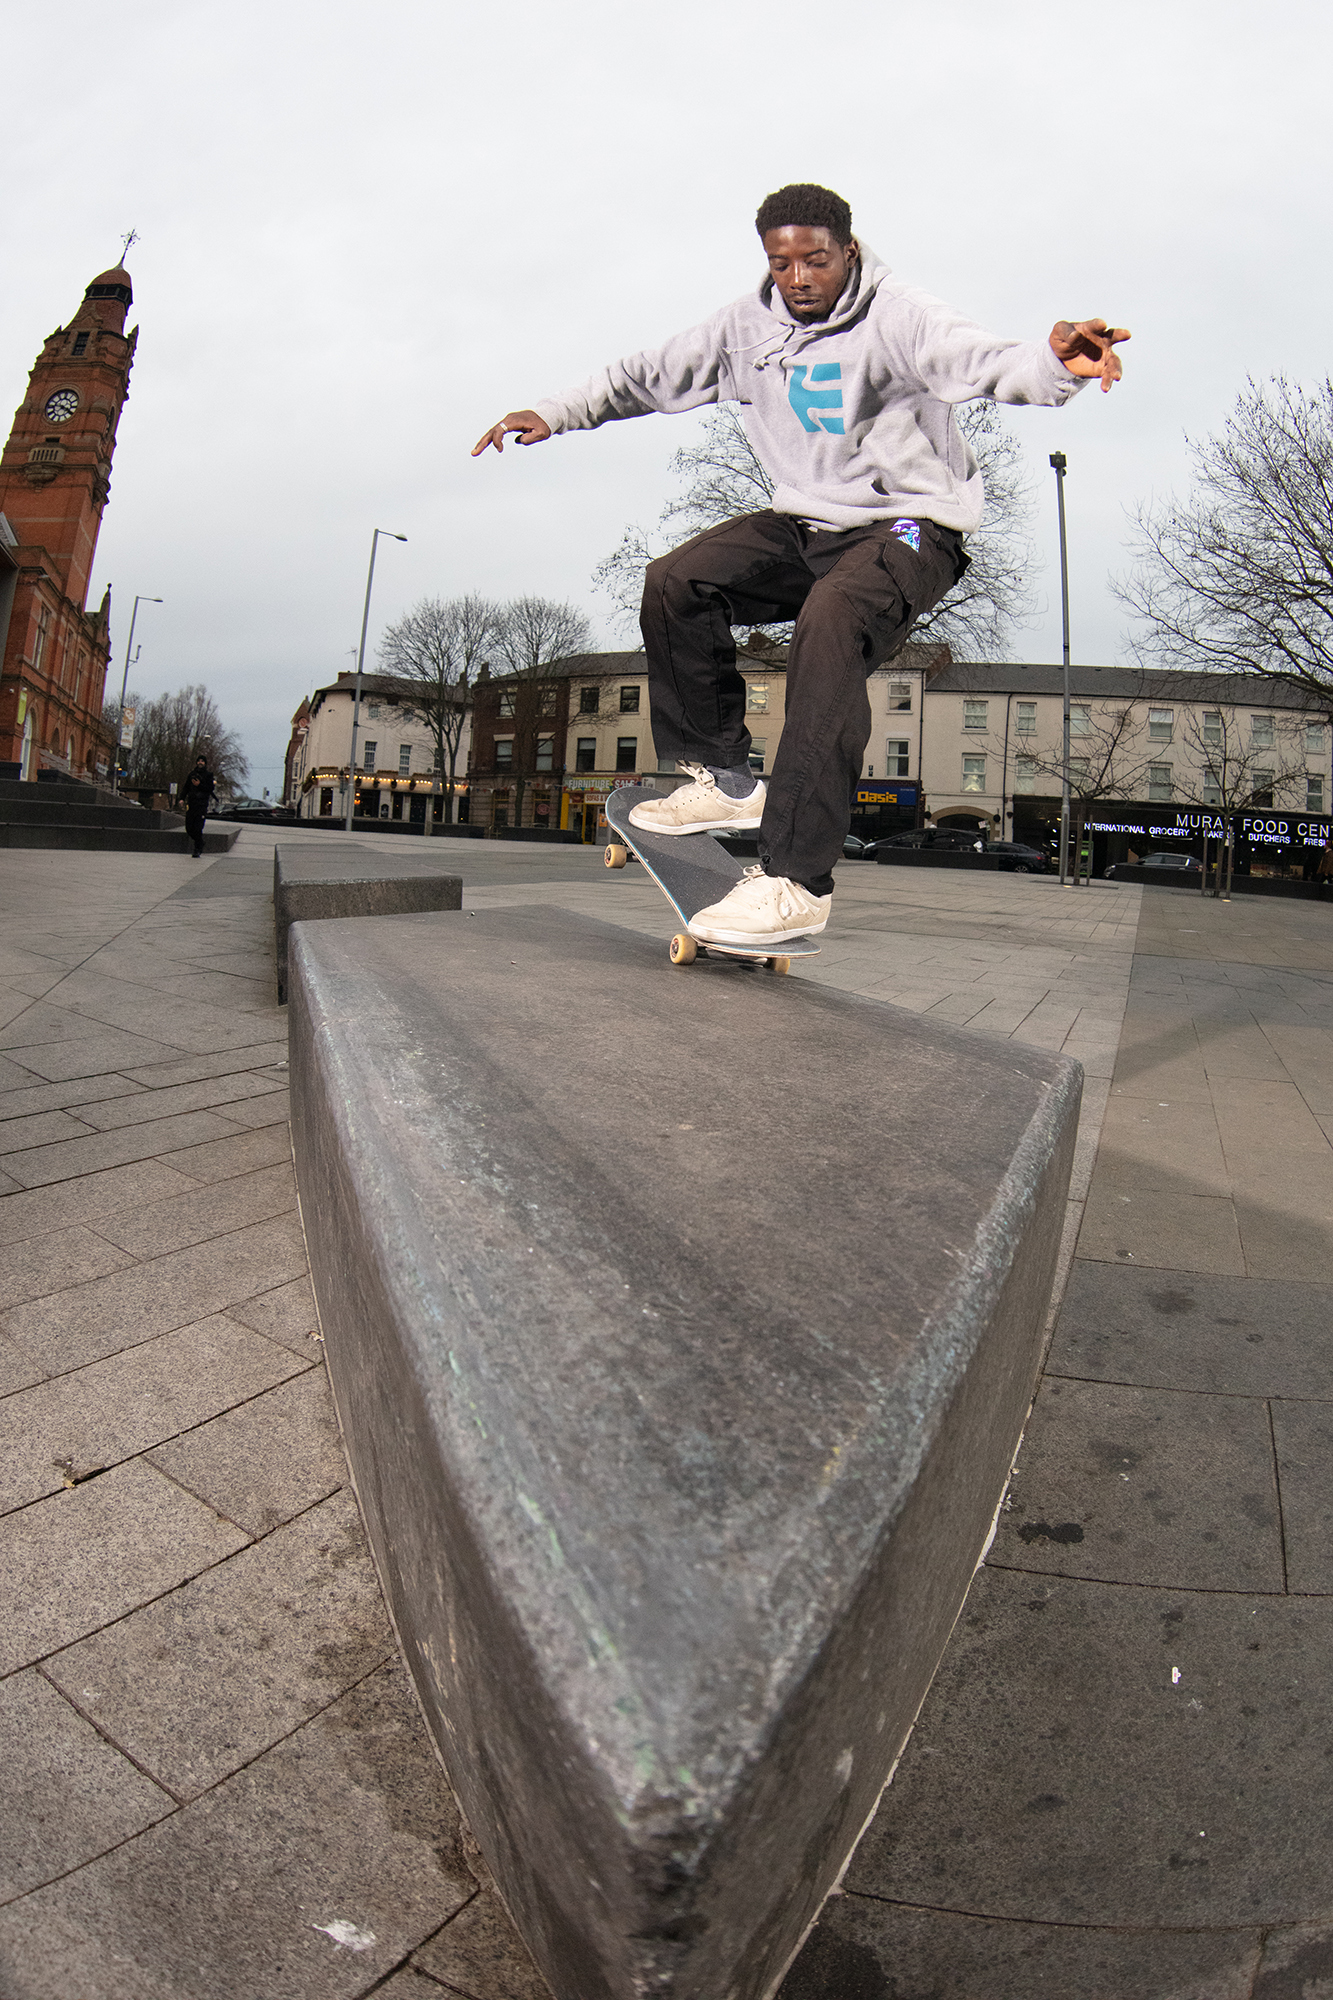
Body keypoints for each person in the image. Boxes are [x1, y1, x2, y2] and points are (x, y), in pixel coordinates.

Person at [474, 183, 1129, 949]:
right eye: (781, 263)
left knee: (832, 618)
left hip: (912, 526)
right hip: (805, 522)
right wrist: (552, 411)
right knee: (677, 581)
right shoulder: (742, 330)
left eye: (815, 260)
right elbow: (643, 375)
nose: (799, 278)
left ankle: (797, 881)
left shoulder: (900, 313)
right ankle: (722, 778)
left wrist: (1056, 366)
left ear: (848, 251)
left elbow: (979, 362)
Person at [181, 755, 216, 858]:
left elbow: (209, 788)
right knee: (189, 828)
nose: (200, 763)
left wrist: (199, 785)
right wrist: (182, 798)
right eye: (199, 761)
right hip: (191, 804)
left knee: (198, 828)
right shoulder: (192, 774)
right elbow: (186, 787)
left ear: (205, 763)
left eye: (202, 761)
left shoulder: (208, 775)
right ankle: (200, 842)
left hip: (201, 805)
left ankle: (197, 848)